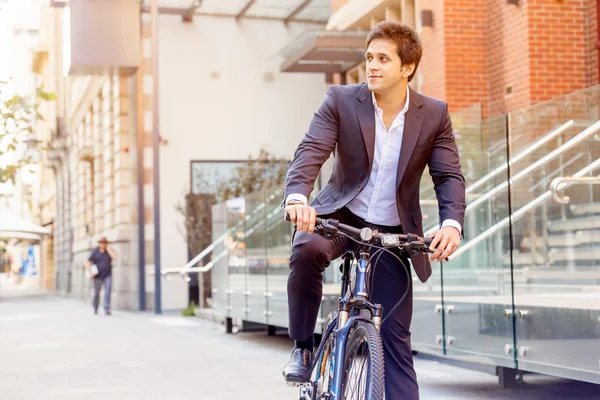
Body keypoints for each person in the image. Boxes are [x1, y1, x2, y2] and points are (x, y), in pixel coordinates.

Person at [281, 21, 466, 399]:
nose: (373, 66)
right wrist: (298, 197)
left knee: (396, 339)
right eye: (369, 57)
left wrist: (451, 224)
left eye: (384, 58)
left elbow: (448, 175)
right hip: (339, 217)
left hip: (393, 231)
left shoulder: (433, 114)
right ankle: (302, 345)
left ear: (407, 68)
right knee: (306, 249)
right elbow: (311, 151)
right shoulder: (342, 100)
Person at [85, 237, 117, 315]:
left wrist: (109, 249)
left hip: (107, 275)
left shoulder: (108, 251)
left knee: (107, 291)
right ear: (99, 243)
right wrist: (90, 272)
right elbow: (87, 261)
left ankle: (107, 309)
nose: (102, 244)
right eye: (101, 243)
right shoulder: (95, 252)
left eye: (104, 243)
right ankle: (95, 307)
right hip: (97, 276)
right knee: (97, 292)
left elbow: (115, 257)